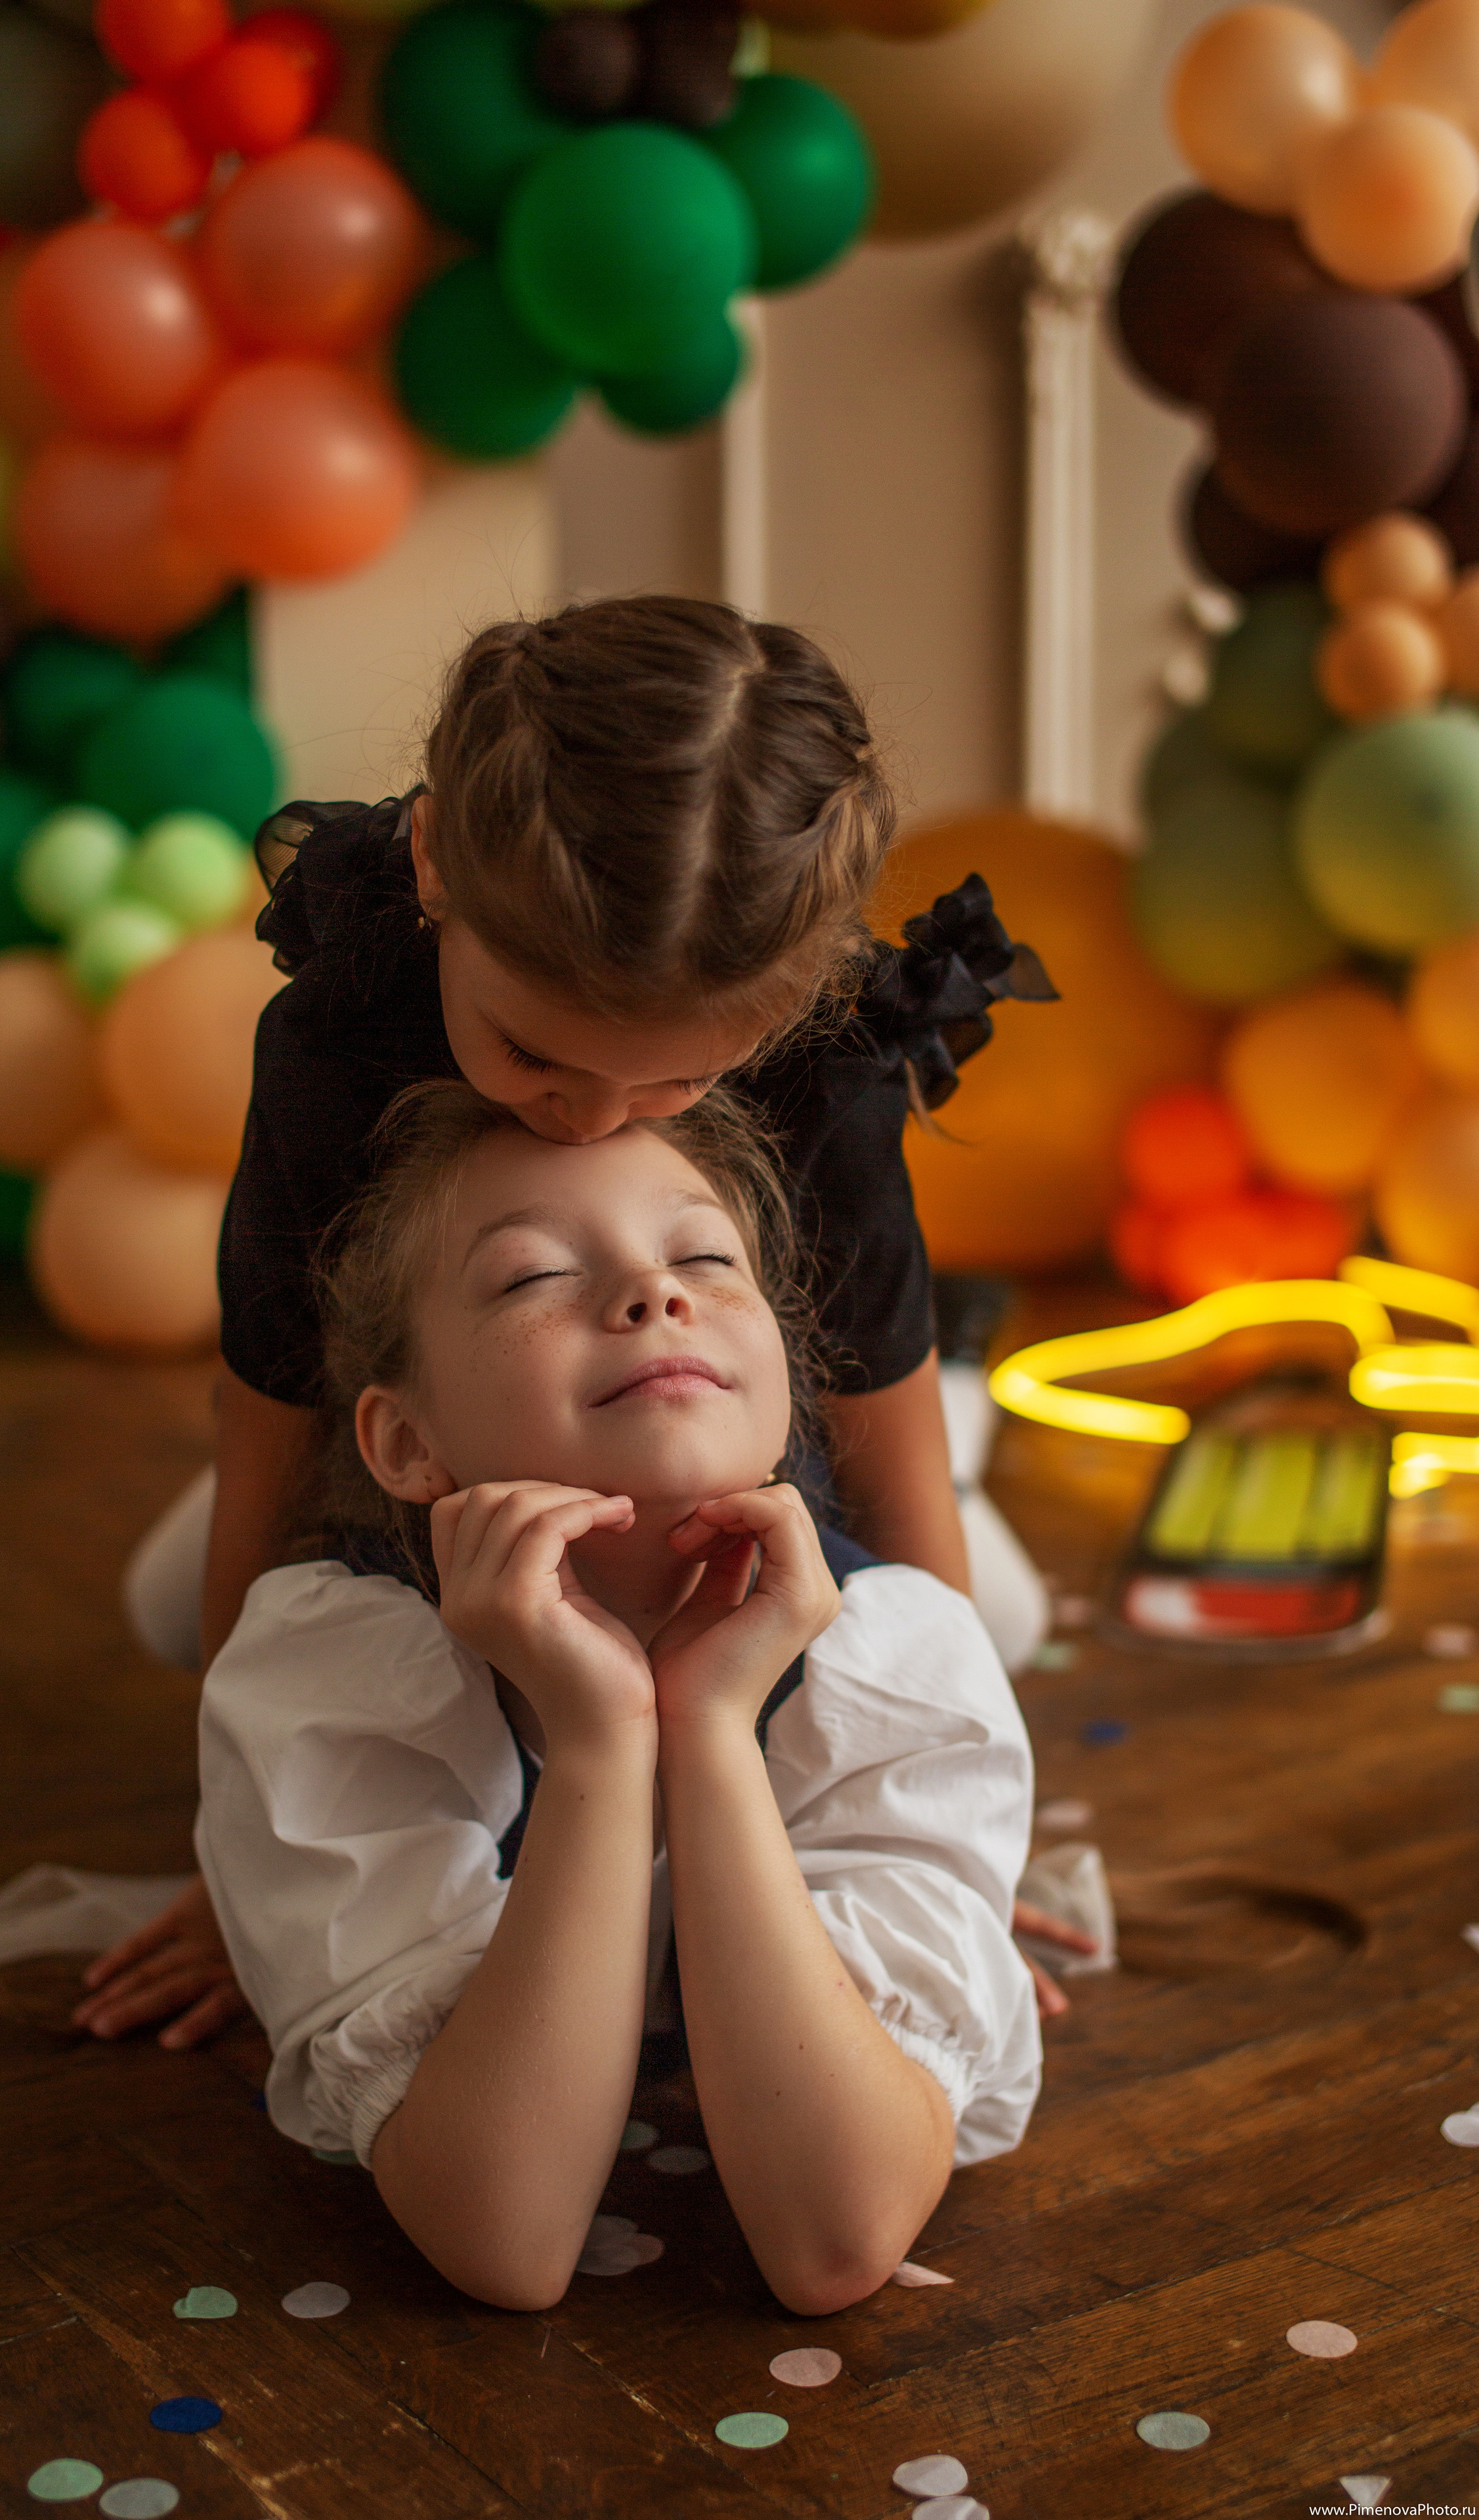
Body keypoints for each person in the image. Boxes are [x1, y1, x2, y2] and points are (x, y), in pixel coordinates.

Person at [74, 594, 1065, 2053]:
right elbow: (273, 1395)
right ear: (430, 868)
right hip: (456, 1441)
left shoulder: (827, 1069)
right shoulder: (341, 1033)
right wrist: (244, 1857)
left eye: (673, 1085)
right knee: (181, 1614)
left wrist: (957, 1841)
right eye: (531, 1052)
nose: (591, 1115)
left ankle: (982, 1412)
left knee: (998, 1619)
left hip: (733, 1452)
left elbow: (880, 1415)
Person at [196, 1083, 1042, 2313]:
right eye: (531, 1275)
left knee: (1003, 1607)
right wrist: (599, 1742)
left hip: (868, 1541)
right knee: (159, 1598)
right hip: (382, 1551)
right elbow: (506, 2240)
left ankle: (954, 1397)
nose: (657, 1294)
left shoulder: (897, 1655)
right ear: (406, 1444)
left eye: (704, 1255)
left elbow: (835, 2242)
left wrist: (707, 1724)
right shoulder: (336, 1675)